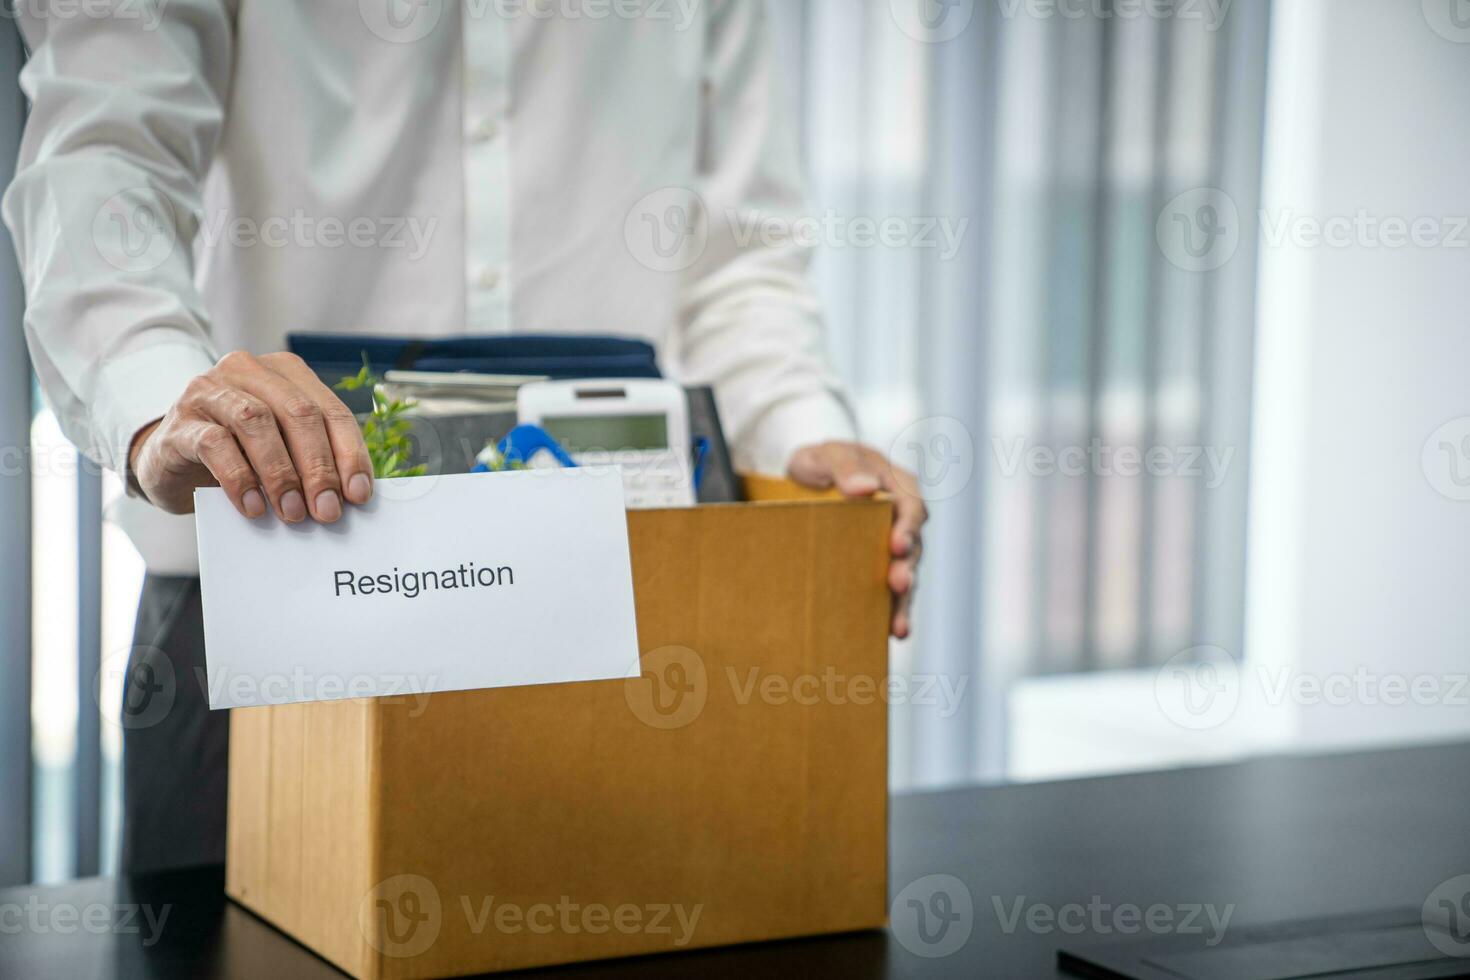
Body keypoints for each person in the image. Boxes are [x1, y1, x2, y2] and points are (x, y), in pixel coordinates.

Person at [3, 0, 928, 873]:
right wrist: (164, 402)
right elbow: (106, 152)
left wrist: (804, 431)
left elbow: (738, 253)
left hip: (631, 609)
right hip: (266, 604)